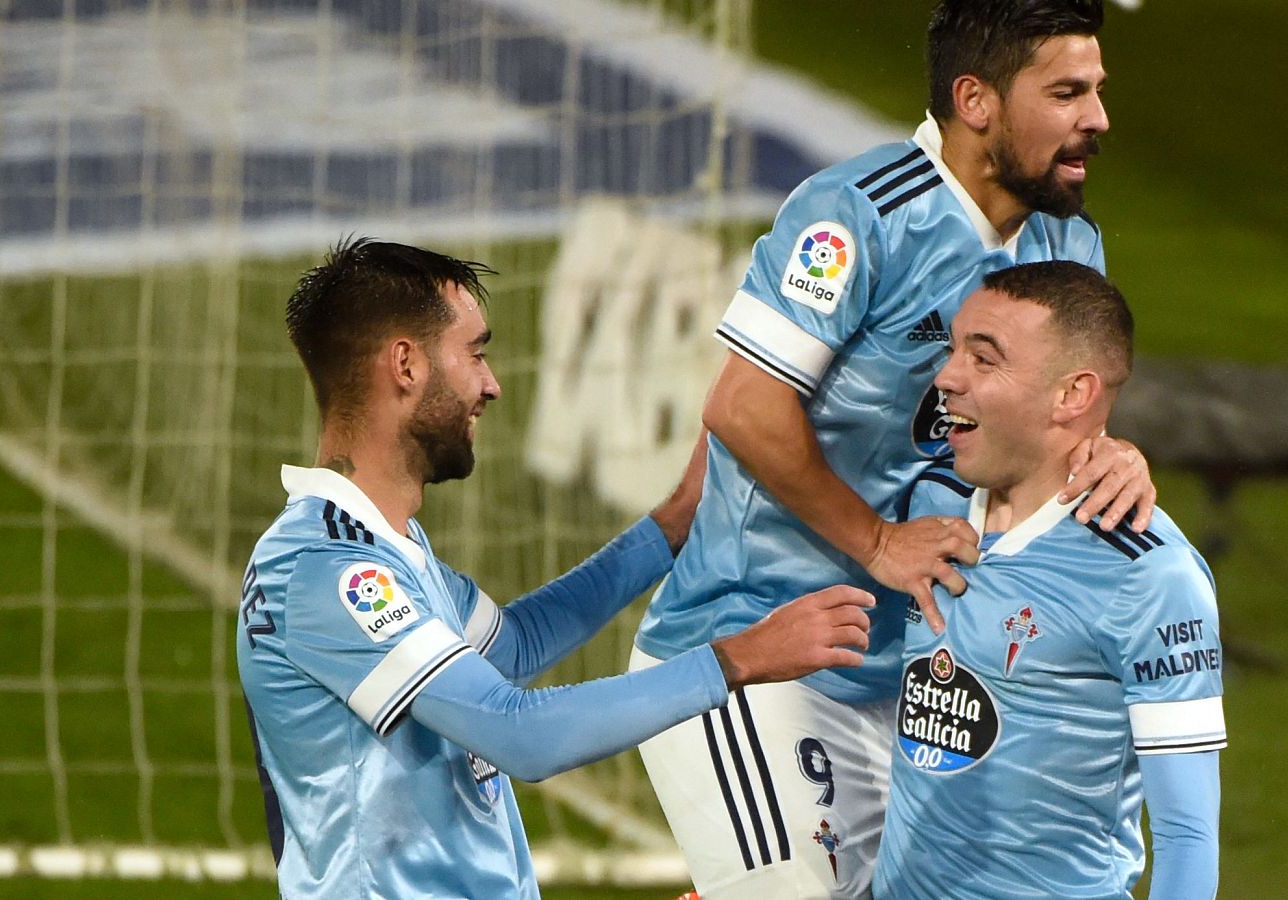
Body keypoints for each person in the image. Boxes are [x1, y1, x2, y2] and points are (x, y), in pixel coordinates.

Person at [631, 1, 1158, 896]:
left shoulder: (1069, 242)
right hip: (752, 649)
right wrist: (877, 542)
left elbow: (1057, 434)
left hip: (922, 674)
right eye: (1067, 92)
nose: (1097, 118)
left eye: (1097, 91)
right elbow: (746, 406)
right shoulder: (857, 217)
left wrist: (1111, 455)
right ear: (976, 100)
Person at [235, 238, 875, 899]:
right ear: (405, 365)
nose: (491, 384)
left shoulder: (383, 548)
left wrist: (672, 524)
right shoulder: (327, 571)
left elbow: (515, 646)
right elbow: (522, 733)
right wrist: (740, 658)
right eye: (475, 353)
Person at [873, 261, 1225, 900]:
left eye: (984, 360)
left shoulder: (1149, 575)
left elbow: (1187, 838)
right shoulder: (929, 500)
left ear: (1072, 395)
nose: (946, 377)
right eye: (954, 350)